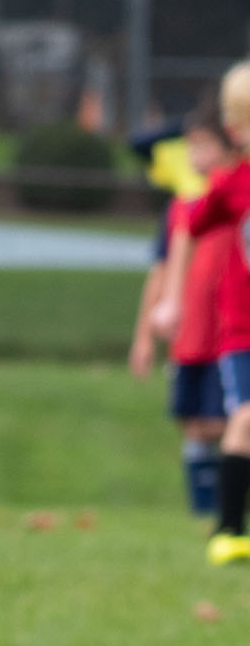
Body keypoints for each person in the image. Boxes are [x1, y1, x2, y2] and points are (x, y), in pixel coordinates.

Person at [157, 64, 250, 564]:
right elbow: (187, 226)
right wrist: (173, 297)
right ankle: (229, 530)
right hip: (243, 330)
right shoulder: (235, 184)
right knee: (245, 418)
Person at [132, 101, 232, 516]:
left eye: (203, 145)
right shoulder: (183, 207)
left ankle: (228, 502)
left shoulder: (236, 199)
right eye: (191, 145)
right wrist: (147, 331)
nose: (193, 155)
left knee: (228, 421)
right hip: (192, 335)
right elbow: (165, 267)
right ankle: (205, 508)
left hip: (230, 332)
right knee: (193, 419)